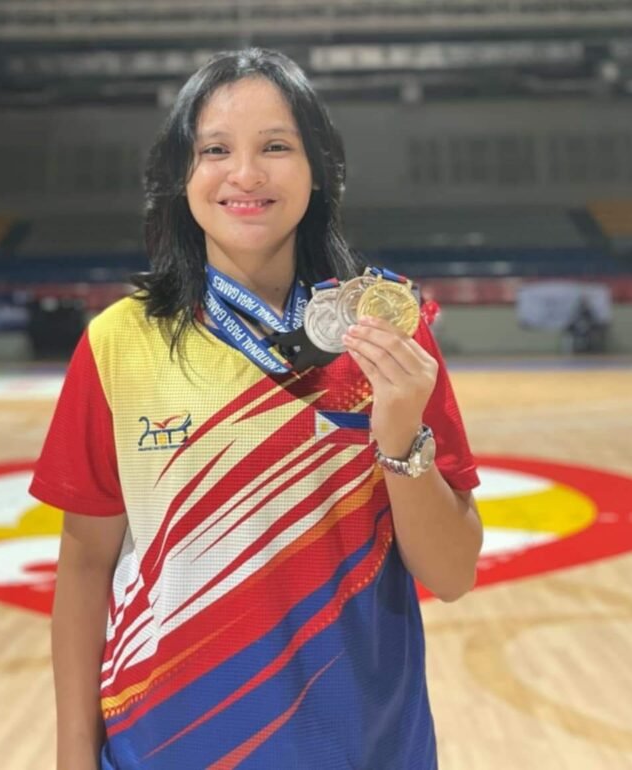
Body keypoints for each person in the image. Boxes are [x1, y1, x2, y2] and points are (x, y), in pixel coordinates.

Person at [30, 48, 483, 770]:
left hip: (366, 746)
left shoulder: (387, 335)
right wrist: (72, 758)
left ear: (319, 171)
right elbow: (86, 566)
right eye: (215, 150)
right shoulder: (117, 343)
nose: (245, 174)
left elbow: (453, 575)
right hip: (165, 746)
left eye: (276, 146)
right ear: (182, 175)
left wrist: (398, 434)